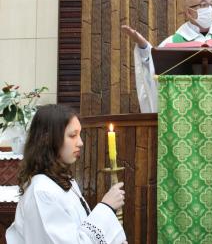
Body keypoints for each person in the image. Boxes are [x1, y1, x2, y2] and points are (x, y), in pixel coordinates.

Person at [6, 104, 127, 244]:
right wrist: (107, 207)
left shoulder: (63, 180)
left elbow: (80, 230)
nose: (80, 142)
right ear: (48, 138)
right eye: (72, 135)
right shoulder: (41, 192)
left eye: (79, 134)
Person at [122, 0, 212, 113]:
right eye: (203, 5)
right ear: (189, 12)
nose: (210, 10)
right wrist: (144, 46)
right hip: (182, 111)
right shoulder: (171, 43)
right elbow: (153, 72)